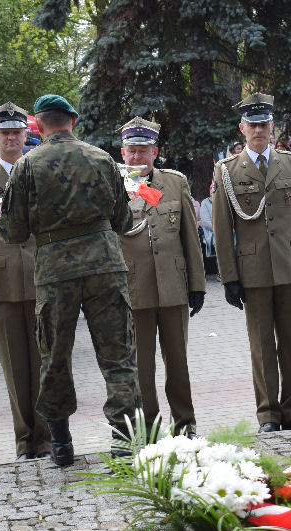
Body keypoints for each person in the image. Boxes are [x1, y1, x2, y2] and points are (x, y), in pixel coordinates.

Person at [0, 94, 141, 465]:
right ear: (72, 120)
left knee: (55, 357)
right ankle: (124, 442)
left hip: (55, 273)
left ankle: (61, 444)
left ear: (38, 126)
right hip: (106, 266)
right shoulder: (102, 158)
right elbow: (125, 222)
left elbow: (11, 233)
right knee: (118, 355)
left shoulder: (27, 165)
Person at [211, 93, 291, 434]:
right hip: (252, 271)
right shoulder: (227, 171)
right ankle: (268, 414)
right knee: (261, 346)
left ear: (272, 127)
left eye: (264, 124)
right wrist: (229, 277)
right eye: (252, 125)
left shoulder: (290, 163)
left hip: (288, 265)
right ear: (242, 128)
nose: (259, 130)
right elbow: (223, 229)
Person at [0, 102, 52, 461]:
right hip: (2, 286)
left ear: (26, 135)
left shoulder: (42, 170)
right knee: (14, 366)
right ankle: (23, 439)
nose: (11, 137)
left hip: (42, 279)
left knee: (45, 361)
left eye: (17, 131)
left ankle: (47, 436)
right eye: (4, 132)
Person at [117, 116, 205, 438]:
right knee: (142, 369)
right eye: (132, 151)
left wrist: (196, 284)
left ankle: (185, 425)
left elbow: (189, 238)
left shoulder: (175, 182)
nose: (138, 157)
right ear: (122, 153)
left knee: (178, 365)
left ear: (155, 152)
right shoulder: (112, 185)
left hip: (173, 287)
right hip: (133, 290)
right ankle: (149, 430)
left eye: (144, 150)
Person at [200, 181, 215, 257]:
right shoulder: (205, 203)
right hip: (212, 236)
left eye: (214, 188)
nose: (212, 190)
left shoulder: (225, 202)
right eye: (210, 188)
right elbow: (206, 223)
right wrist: (223, 231)